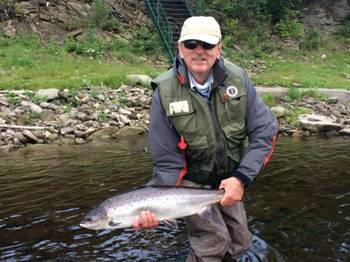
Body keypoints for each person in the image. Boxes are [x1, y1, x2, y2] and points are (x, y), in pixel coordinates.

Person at [133, 16, 278, 261]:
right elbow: (167, 161)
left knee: (240, 241)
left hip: (229, 180)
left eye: (207, 45)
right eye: (191, 45)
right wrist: (154, 205)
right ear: (180, 48)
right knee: (214, 242)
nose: (199, 52)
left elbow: (265, 131)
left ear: (219, 48)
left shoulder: (238, 80)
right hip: (189, 182)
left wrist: (241, 178)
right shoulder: (164, 92)